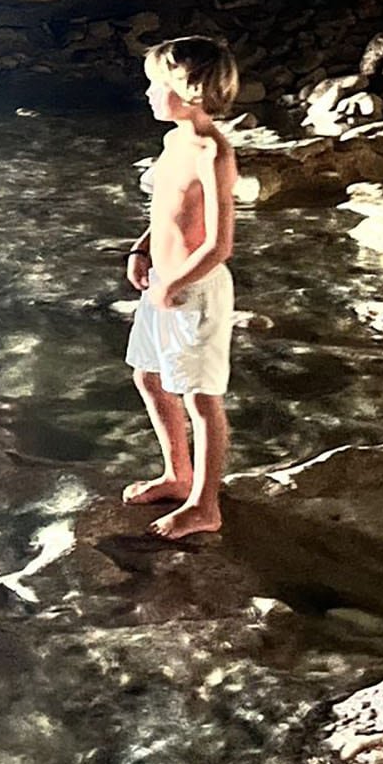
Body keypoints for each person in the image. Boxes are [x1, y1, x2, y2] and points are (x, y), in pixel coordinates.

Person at [123, 34, 240, 539]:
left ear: (188, 89)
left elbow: (219, 244)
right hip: (162, 286)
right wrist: (142, 248)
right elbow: (167, 209)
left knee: (201, 398)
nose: (147, 93)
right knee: (148, 377)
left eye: (156, 84)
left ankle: (205, 505)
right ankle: (177, 472)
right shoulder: (174, 142)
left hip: (195, 293)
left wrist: (174, 282)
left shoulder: (213, 153)